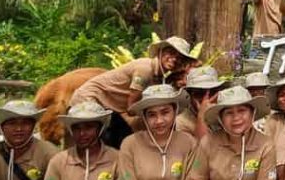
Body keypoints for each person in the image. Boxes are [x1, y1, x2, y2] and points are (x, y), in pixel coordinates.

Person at [69, 36, 197, 148]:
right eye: (171, 53)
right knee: (97, 143)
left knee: (121, 139)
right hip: (89, 99)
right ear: (161, 52)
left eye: (179, 57)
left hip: (109, 107)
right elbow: (131, 107)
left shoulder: (159, 76)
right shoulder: (145, 70)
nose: (174, 59)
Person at [175, 66, 229, 140]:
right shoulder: (181, 123)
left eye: (212, 92)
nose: (206, 99)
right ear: (190, 95)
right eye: (199, 93)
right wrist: (201, 117)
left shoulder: (226, 111)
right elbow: (204, 149)